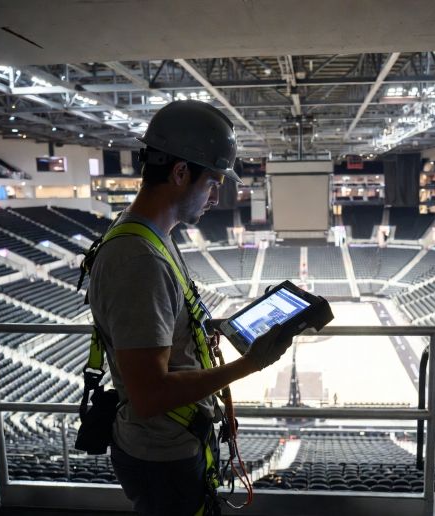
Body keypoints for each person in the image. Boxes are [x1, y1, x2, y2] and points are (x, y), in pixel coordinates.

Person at [87, 100, 293, 515]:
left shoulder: (150, 237)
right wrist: (250, 364)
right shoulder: (140, 259)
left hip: (173, 445)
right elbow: (149, 395)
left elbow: (158, 332)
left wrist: (198, 327)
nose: (217, 197)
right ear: (181, 173)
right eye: (213, 182)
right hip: (163, 456)